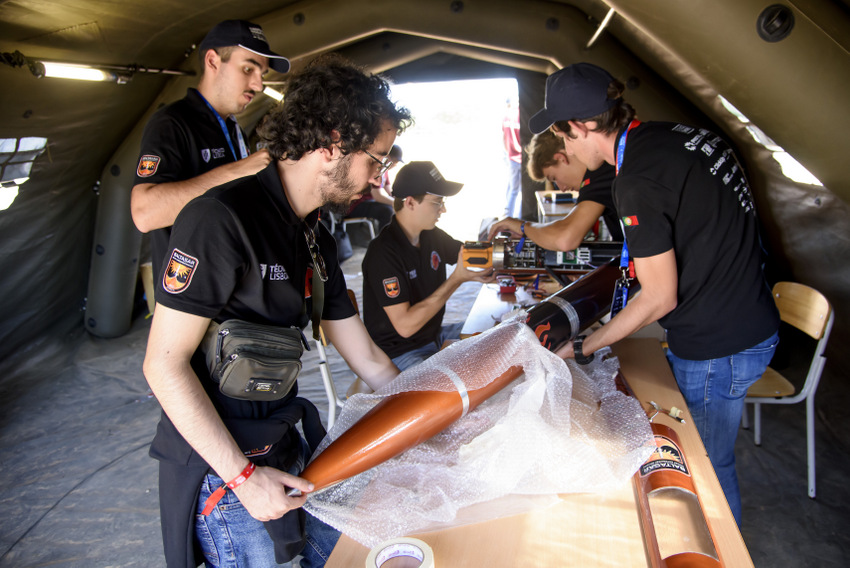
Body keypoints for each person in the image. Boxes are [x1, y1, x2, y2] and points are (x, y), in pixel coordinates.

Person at [142, 54, 413, 568]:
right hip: (222, 471)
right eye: (376, 160)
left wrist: (435, 416)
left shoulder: (314, 233)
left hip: (280, 446)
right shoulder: (220, 220)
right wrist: (243, 480)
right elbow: (162, 364)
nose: (379, 178)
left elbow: (372, 363)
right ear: (333, 142)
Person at [529, 62, 780, 525]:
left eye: (563, 135)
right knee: (711, 457)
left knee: (703, 467)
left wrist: (586, 344)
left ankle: (721, 548)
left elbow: (660, 297)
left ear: (582, 126)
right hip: (752, 321)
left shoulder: (636, 179)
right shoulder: (678, 136)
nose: (563, 146)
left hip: (716, 346)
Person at [131, 19, 288, 279]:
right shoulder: (172, 122)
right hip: (190, 299)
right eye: (248, 69)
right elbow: (145, 213)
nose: (258, 85)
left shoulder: (233, 126)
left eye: (262, 74)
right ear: (213, 61)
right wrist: (238, 171)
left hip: (232, 286)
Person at [361, 161, 496, 371]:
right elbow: (405, 326)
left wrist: (507, 255)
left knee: (500, 332)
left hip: (433, 336)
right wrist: (457, 279)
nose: (443, 209)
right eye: (437, 202)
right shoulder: (383, 253)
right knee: (457, 387)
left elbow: (471, 256)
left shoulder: (430, 235)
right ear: (410, 203)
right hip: (401, 353)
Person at [487, 129, 623, 250]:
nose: (562, 189)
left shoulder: (599, 175)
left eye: (554, 178)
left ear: (561, 158)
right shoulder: (601, 173)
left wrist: (522, 227)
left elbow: (564, 238)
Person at [344, 144, 402, 230]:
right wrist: (398, 205)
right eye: (394, 161)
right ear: (387, 157)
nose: (395, 165)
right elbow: (378, 196)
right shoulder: (376, 168)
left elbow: (390, 191)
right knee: (387, 211)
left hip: (369, 203)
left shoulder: (385, 171)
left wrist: (400, 200)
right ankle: (384, 240)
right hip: (357, 204)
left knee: (392, 210)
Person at [502, 96, 523, 217]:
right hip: (522, 158)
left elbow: (504, 137)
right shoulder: (521, 115)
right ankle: (520, 217)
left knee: (512, 189)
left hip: (511, 157)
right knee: (520, 191)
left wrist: (507, 152)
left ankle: (508, 215)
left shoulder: (506, 116)